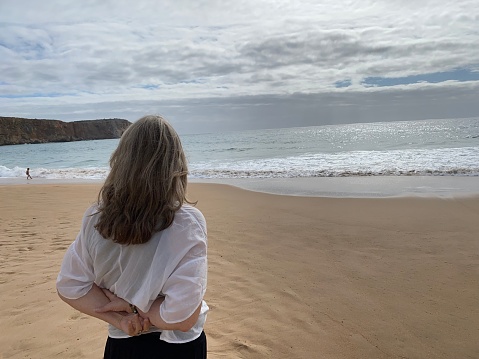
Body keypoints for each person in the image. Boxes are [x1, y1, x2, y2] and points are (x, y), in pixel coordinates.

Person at [56, 115, 208, 359]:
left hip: (123, 343)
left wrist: (123, 318)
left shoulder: (96, 217)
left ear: (120, 160)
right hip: (179, 347)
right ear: (176, 165)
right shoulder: (186, 222)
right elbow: (184, 317)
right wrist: (134, 308)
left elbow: (70, 286)